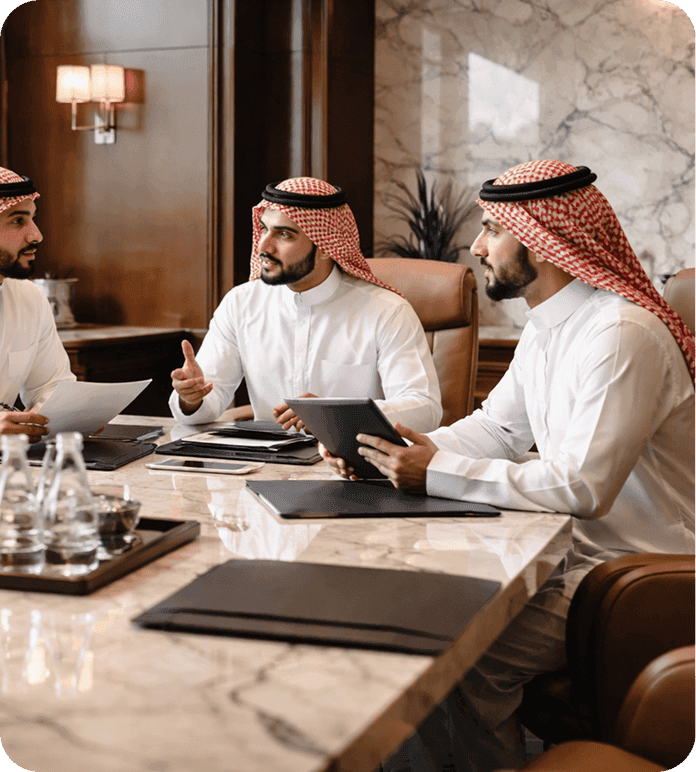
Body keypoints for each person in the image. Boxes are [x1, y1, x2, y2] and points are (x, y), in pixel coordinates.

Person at [324, 160, 695, 771]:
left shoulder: (620, 334)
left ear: (543, 242)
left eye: (493, 229)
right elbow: (497, 428)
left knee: (457, 661)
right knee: (411, 620)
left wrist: (432, 471)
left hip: (632, 574)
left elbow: (583, 486)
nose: (477, 247)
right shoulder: (551, 325)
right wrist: (397, 446)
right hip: (565, 554)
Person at [169, 177, 442, 432]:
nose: (264, 246)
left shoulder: (387, 311)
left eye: (284, 235)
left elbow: (424, 409)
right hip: (265, 460)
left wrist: (334, 415)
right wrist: (192, 398)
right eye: (264, 229)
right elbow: (207, 402)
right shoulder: (240, 304)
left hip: (351, 460)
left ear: (326, 246)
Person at [0, 166, 75, 442]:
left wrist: (68, 413)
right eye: (18, 221)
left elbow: (50, 385)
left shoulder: (29, 297)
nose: (36, 235)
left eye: (33, 219)